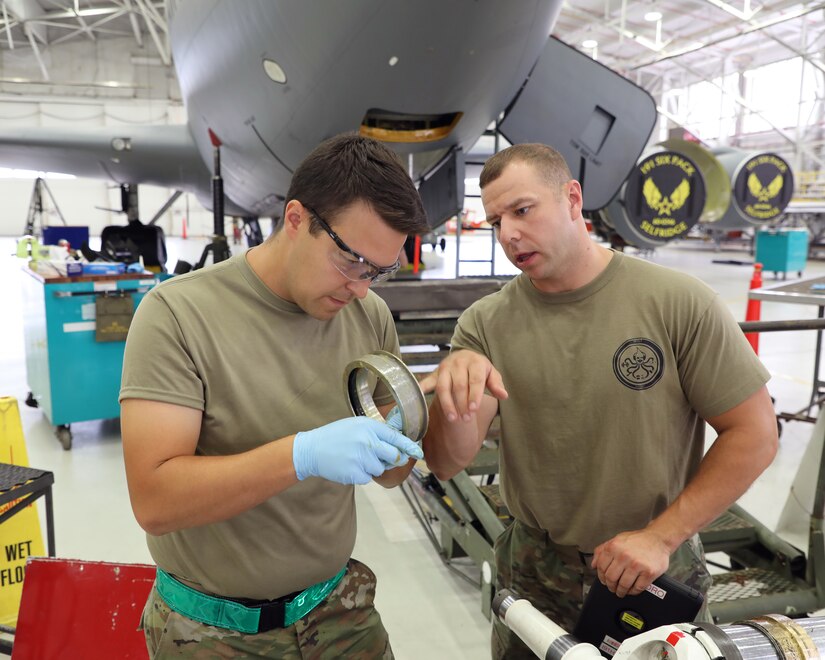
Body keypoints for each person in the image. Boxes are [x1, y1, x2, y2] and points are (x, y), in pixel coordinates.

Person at [420, 143, 779, 659]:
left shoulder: (677, 302)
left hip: (655, 566)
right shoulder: (485, 323)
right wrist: (455, 395)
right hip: (534, 569)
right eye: (496, 221)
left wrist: (660, 537)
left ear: (572, 199)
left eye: (522, 210)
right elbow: (446, 459)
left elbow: (755, 433)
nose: (509, 235)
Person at [120, 133, 431, 658]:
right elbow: (155, 500)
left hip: (337, 607)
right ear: (295, 219)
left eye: (379, 270)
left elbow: (392, 472)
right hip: (213, 629)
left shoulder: (367, 314)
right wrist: (300, 455)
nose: (361, 288)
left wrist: (424, 415)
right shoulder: (178, 315)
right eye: (352, 260)